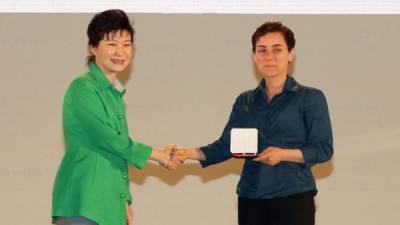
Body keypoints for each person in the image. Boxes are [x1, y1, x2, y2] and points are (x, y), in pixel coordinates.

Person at [173, 21, 334, 225]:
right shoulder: (244, 101)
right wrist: (188, 153)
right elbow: (226, 146)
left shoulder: (310, 98)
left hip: (293, 196)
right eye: (262, 50)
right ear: (254, 57)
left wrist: (283, 154)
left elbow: (323, 149)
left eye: (277, 49)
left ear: (291, 54)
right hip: (251, 197)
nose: (269, 56)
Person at [52, 9, 178, 225]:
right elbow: (108, 139)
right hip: (84, 201)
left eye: (127, 44)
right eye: (112, 44)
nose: (121, 51)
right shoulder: (82, 87)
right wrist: (158, 154)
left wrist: (124, 200)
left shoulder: (113, 94)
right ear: (93, 47)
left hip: (107, 203)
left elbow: (116, 156)